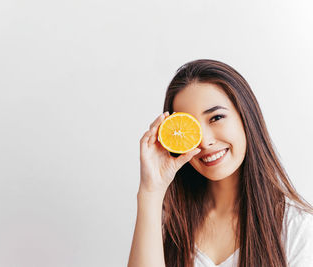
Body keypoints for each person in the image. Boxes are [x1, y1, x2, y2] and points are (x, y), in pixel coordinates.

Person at [127, 59, 313, 267]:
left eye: (216, 118)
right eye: (191, 129)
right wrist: (150, 192)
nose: (205, 142)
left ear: (246, 117)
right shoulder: (167, 223)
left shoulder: (297, 228)